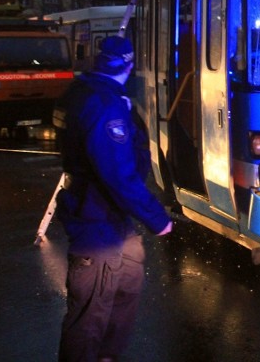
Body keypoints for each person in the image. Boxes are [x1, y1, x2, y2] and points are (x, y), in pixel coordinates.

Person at [52, 36, 173, 362]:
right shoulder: (105, 105)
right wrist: (157, 218)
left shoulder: (86, 93)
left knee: (126, 287)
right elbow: (117, 173)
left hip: (110, 219)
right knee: (92, 311)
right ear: (130, 66)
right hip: (97, 222)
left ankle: (106, 356)